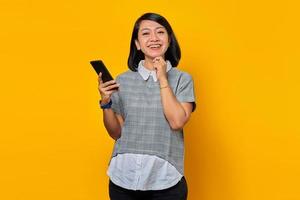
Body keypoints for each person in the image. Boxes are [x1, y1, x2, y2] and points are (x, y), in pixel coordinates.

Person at [97, 12, 196, 200]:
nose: (154, 38)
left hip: (165, 180)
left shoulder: (182, 79)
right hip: (123, 179)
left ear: (169, 40)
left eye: (160, 32)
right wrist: (105, 102)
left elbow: (177, 122)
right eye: (145, 33)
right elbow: (115, 132)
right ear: (137, 43)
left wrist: (163, 79)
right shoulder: (122, 80)